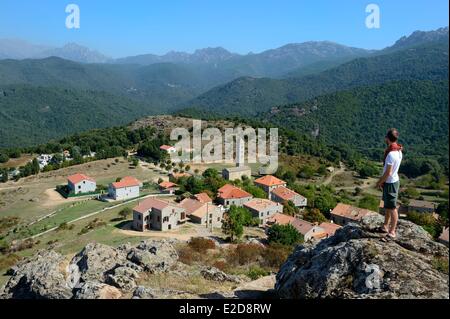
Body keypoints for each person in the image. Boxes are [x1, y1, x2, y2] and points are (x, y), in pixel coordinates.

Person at [376, 128, 403, 238]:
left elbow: (388, 172)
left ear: (387, 138)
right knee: (387, 206)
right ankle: (385, 226)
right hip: (391, 182)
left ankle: (392, 231)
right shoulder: (399, 150)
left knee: (392, 208)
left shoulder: (391, 154)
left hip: (390, 183)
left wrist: (379, 182)